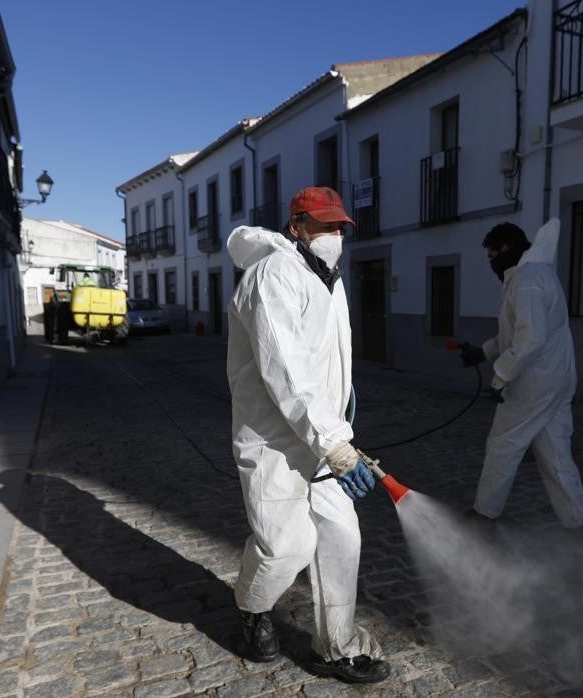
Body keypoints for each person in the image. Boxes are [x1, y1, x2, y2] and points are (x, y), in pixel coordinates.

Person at [224, 186, 389, 684]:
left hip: (324, 436)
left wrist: (340, 425)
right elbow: (286, 370)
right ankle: (252, 606)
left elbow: (324, 358)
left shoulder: (329, 280)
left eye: (339, 226)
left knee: (342, 537)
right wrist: (336, 445)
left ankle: (336, 646)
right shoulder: (271, 275)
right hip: (274, 438)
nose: (333, 234)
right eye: (322, 225)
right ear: (295, 226)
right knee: (287, 547)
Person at [460, 220, 583, 529]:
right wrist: (483, 351)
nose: (492, 263)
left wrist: (500, 378)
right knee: (556, 453)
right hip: (557, 381)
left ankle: (484, 514)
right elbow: (515, 334)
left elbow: (530, 338)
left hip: (534, 382)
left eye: (492, 256)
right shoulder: (538, 275)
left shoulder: (527, 279)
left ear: (507, 249)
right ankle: (579, 522)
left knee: (503, 444)